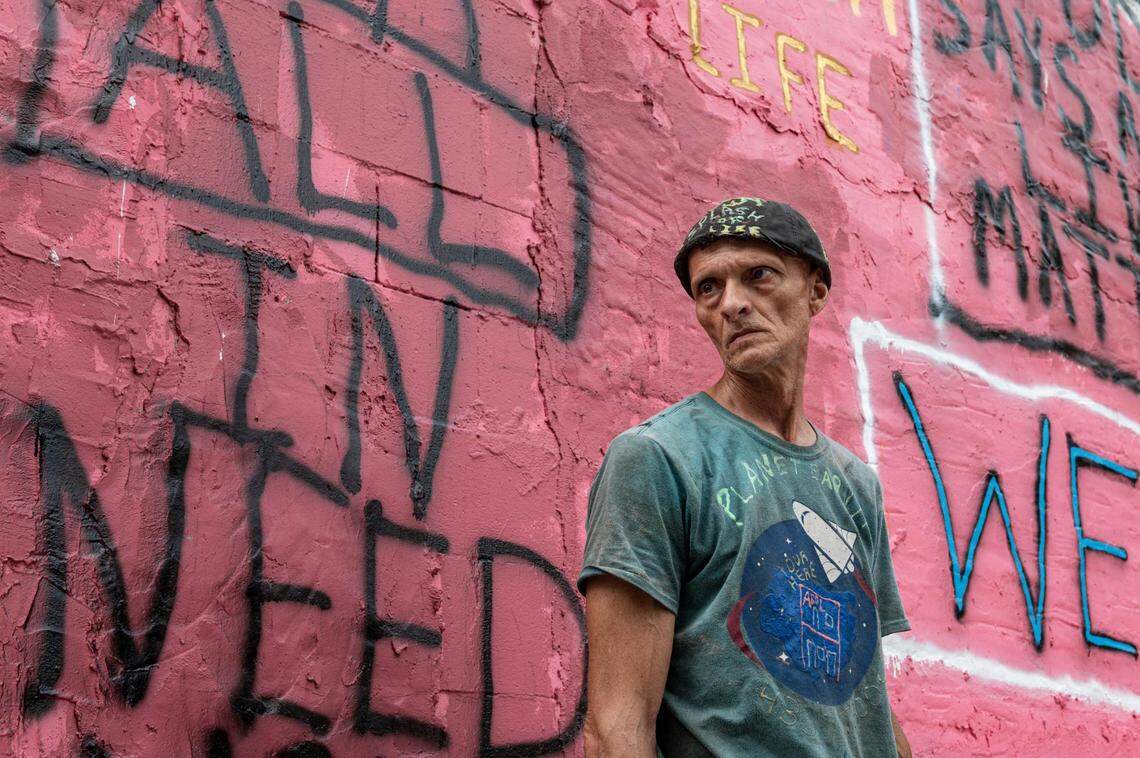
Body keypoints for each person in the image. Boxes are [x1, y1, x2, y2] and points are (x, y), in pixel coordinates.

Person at [578, 198, 911, 757]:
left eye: (758, 275)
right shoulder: (656, 459)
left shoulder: (856, 484)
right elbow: (617, 725)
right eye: (709, 288)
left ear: (815, 291)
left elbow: (863, 699)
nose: (732, 304)